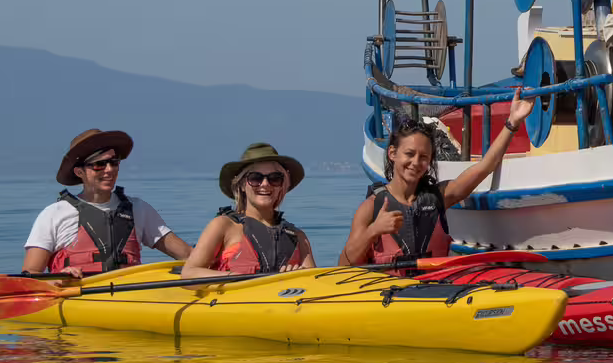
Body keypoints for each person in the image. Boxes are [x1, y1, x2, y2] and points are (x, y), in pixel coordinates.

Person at [340, 94, 535, 267]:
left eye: (424, 157)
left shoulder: (439, 196)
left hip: (433, 292)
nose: (416, 162)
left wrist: (513, 122)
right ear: (392, 153)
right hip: (388, 298)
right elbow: (343, 265)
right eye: (409, 154)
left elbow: (485, 166)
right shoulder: (370, 208)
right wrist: (373, 230)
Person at [23, 128, 192, 275]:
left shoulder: (139, 209)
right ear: (79, 172)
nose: (109, 170)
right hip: (77, 298)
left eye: (114, 162)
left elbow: (188, 255)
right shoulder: (54, 214)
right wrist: (61, 277)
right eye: (99, 164)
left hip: (132, 298)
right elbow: (31, 273)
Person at [179, 142, 316, 277]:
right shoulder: (223, 226)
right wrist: (231, 276)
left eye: (274, 178)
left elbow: (314, 281)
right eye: (255, 178)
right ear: (242, 185)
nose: (265, 184)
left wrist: (298, 276)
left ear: (282, 185)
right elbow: (189, 272)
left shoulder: (298, 237)